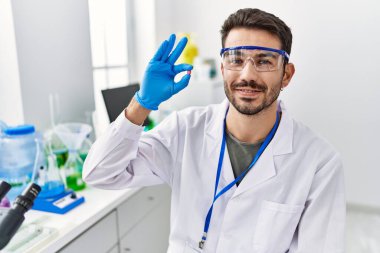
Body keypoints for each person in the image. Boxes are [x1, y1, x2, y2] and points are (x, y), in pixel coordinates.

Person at [83, 8, 345, 253]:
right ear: (222, 69)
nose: (247, 74)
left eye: (264, 61)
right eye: (236, 59)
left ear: (286, 74)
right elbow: (100, 173)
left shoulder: (319, 163)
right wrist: (141, 104)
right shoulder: (184, 130)